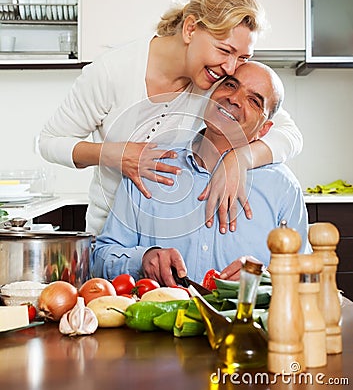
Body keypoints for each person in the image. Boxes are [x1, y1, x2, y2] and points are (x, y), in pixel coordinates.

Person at [39, 0, 303, 236]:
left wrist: (239, 159)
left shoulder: (218, 80)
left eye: (243, 58)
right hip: (112, 234)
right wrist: (113, 154)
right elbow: (49, 142)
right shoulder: (112, 73)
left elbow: (289, 134)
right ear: (190, 29)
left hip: (172, 236)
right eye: (225, 50)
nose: (232, 68)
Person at [91, 61, 310, 285]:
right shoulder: (151, 167)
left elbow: (305, 276)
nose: (234, 99)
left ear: (264, 129)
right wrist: (142, 260)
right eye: (231, 85)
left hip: (241, 320)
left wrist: (263, 277)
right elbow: (99, 259)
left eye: (253, 101)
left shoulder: (282, 188)